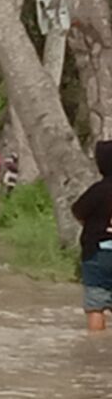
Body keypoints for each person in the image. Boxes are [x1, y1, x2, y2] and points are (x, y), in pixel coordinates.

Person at [71, 142, 112, 332]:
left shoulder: (97, 191)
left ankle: (96, 344)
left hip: (97, 253)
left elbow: (78, 212)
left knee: (96, 305)